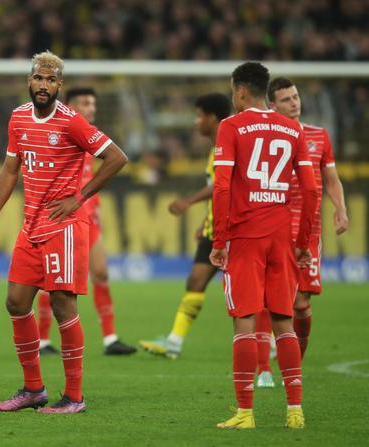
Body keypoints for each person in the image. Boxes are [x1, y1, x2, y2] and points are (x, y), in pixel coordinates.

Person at [0, 51, 128, 414]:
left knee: (63, 306)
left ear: (59, 85)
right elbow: (10, 170)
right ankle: (33, 389)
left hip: (64, 227)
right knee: (16, 302)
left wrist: (79, 197)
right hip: (31, 226)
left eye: (50, 80)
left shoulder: (72, 122)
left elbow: (117, 158)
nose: (43, 85)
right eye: (38, 78)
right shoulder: (17, 118)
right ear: (29, 81)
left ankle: (74, 397)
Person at [209, 61, 318, 429]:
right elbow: (312, 189)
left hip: (244, 235)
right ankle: (295, 411)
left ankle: (245, 413)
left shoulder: (231, 126)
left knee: (244, 322)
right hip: (281, 236)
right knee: (283, 322)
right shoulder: (292, 128)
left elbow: (222, 186)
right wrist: (302, 241)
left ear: (240, 90)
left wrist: (219, 239)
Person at [252, 77, 350, 388]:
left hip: (309, 233)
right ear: (273, 106)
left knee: (301, 304)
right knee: (269, 299)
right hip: (274, 225)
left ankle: (293, 365)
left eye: (296, 97)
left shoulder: (319, 136)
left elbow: (331, 179)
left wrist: (340, 209)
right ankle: (263, 369)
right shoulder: (265, 138)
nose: (294, 103)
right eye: (286, 99)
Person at [36, 87, 136, 357]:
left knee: (101, 273)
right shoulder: (59, 133)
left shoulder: (92, 138)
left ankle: (110, 338)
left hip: (88, 217)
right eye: (85, 103)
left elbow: (93, 177)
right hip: (62, 217)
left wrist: (97, 208)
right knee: (55, 281)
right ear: (69, 105)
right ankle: (42, 339)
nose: (91, 108)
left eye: (93, 103)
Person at [140, 93, 231, 359]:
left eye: (199, 115)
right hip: (214, 228)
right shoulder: (215, 149)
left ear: (212, 118)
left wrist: (188, 201)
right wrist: (206, 221)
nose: (195, 122)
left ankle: (269, 342)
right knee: (195, 280)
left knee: (246, 292)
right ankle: (174, 342)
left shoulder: (229, 145)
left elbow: (221, 187)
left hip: (233, 230)